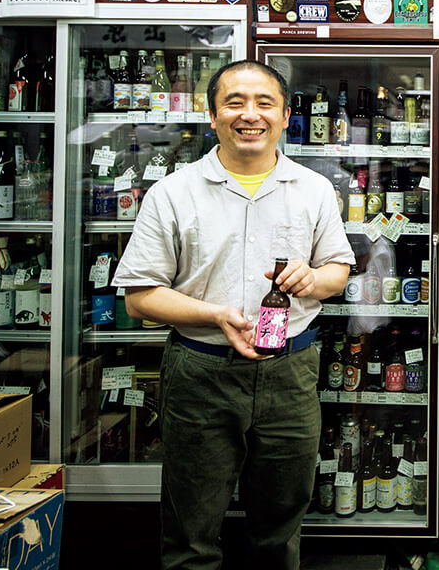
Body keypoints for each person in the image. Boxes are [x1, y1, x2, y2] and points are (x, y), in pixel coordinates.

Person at [113, 59, 353, 570]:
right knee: (191, 527)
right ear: (213, 114)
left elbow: (338, 270)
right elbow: (140, 296)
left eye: (265, 103)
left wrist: (314, 279)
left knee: (281, 521)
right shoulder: (172, 193)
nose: (251, 115)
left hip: (290, 371)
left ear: (286, 116)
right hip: (202, 371)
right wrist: (214, 314)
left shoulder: (312, 189)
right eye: (235, 102)